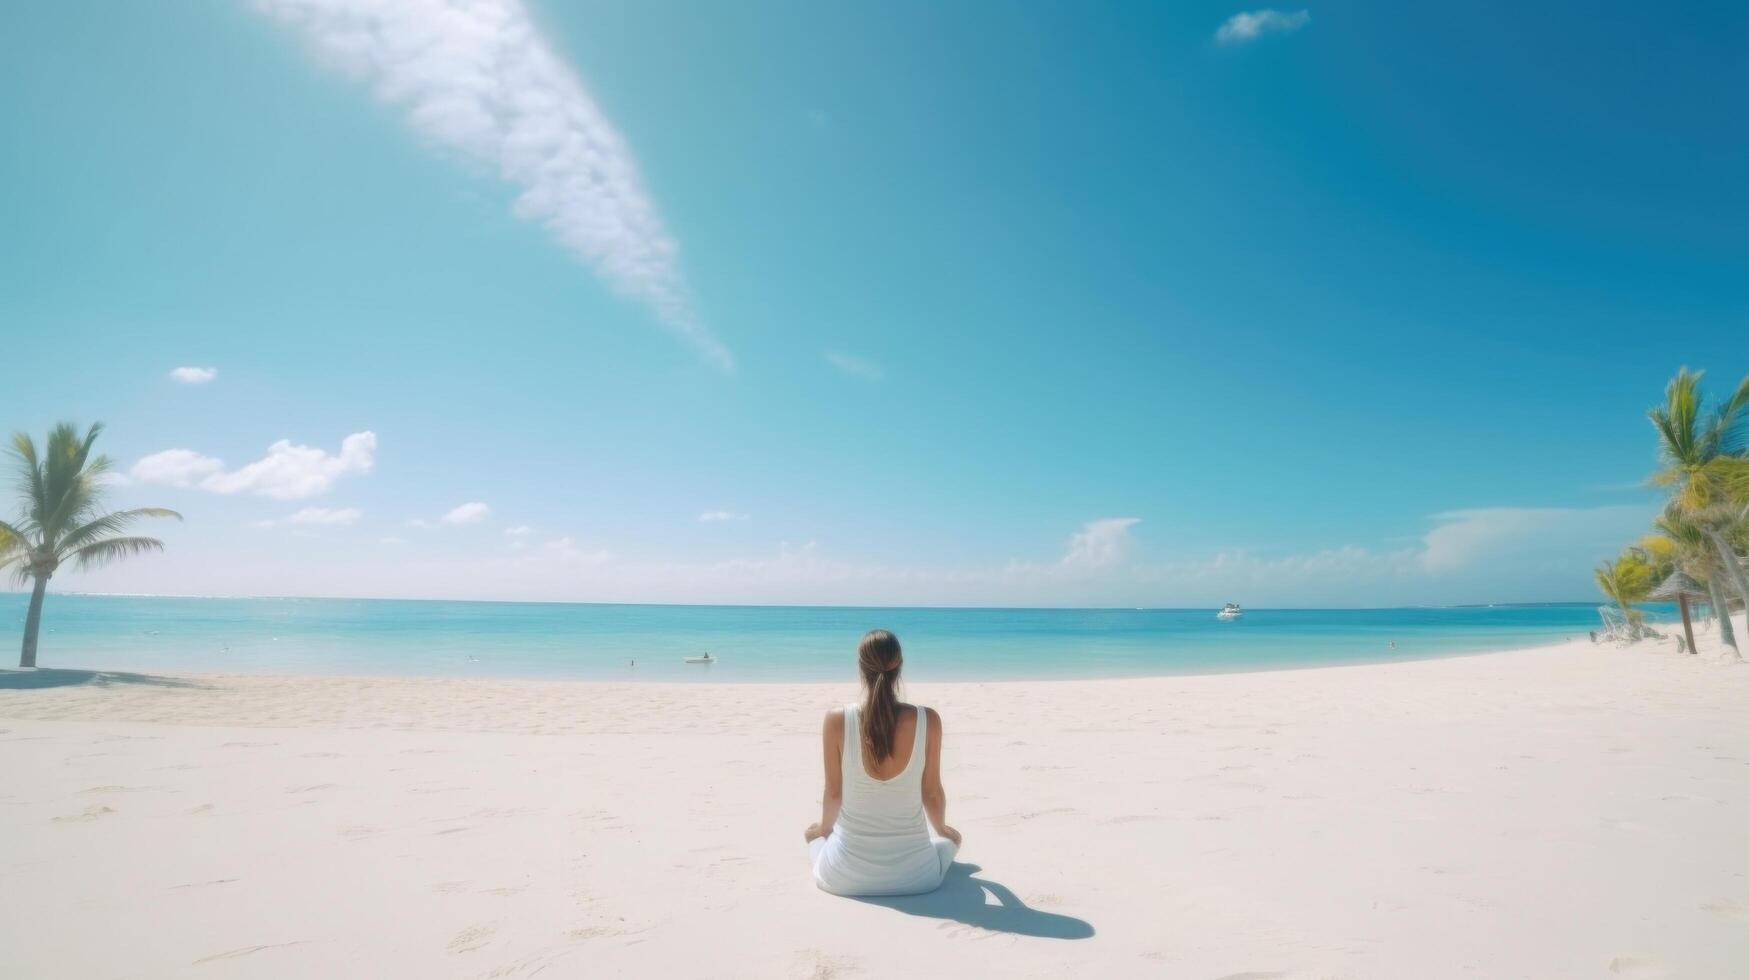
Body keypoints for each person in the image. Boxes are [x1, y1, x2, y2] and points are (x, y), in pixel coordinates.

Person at [805, 629, 960, 896]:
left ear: (860, 666)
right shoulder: (928, 720)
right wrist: (943, 829)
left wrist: (823, 830)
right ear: (899, 664)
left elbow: (833, 793)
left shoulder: (836, 720)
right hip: (919, 877)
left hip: (845, 878)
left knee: (812, 836)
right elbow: (932, 792)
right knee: (950, 841)